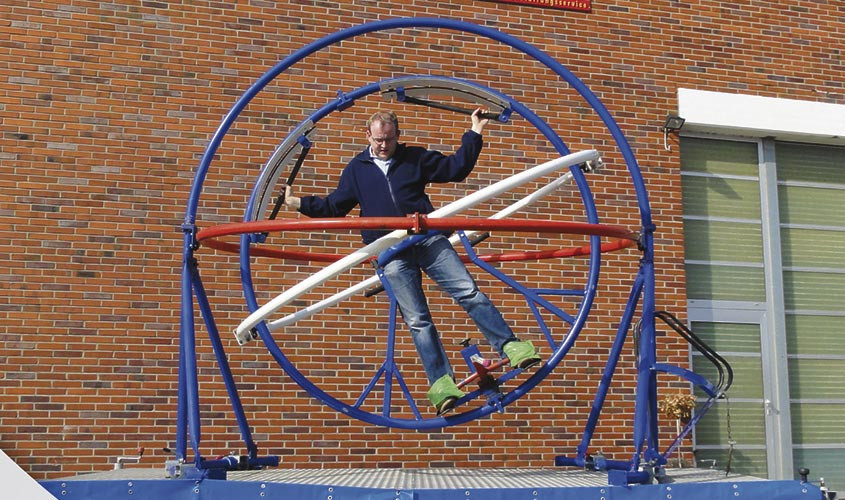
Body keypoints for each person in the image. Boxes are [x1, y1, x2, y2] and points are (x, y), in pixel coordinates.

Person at [283, 108, 540, 415]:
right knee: (418, 320)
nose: (383, 146)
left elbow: (454, 169)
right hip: (390, 250)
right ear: (368, 135)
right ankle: (442, 383)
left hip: (426, 238)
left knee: (469, 292)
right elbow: (334, 205)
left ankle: (509, 345)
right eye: (378, 140)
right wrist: (298, 203)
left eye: (388, 140)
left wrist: (475, 132)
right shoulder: (357, 170)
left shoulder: (414, 158)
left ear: (398, 137)